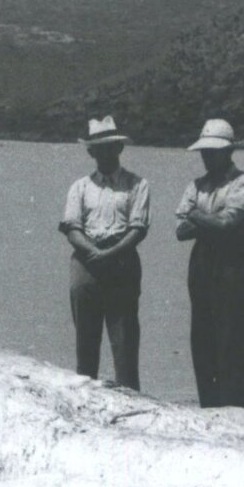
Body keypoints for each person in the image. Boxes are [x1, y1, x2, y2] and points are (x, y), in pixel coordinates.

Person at [59, 116, 150, 389]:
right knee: (86, 337)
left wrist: (111, 254)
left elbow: (138, 228)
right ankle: (86, 393)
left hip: (122, 260)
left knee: (124, 338)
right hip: (86, 260)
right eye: (99, 148)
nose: (105, 153)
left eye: (110, 147)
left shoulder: (137, 184)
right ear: (91, 152)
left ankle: (129, 395)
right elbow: (71, 228)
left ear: (119, 148)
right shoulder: (80, 187)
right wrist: (93, 252)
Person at [174, 117, 244, 408]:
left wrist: (196, 215)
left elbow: (227, 223)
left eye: (213, 152)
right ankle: (209, 407)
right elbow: (180, 232)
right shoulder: (197, 184)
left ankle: (235, 407)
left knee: (231, 336)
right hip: (202, 261)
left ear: (228, 152)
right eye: (204, 152)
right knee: (202, 335)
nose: (207, 157)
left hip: (233, 262)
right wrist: (208, 221)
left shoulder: (243, 183)